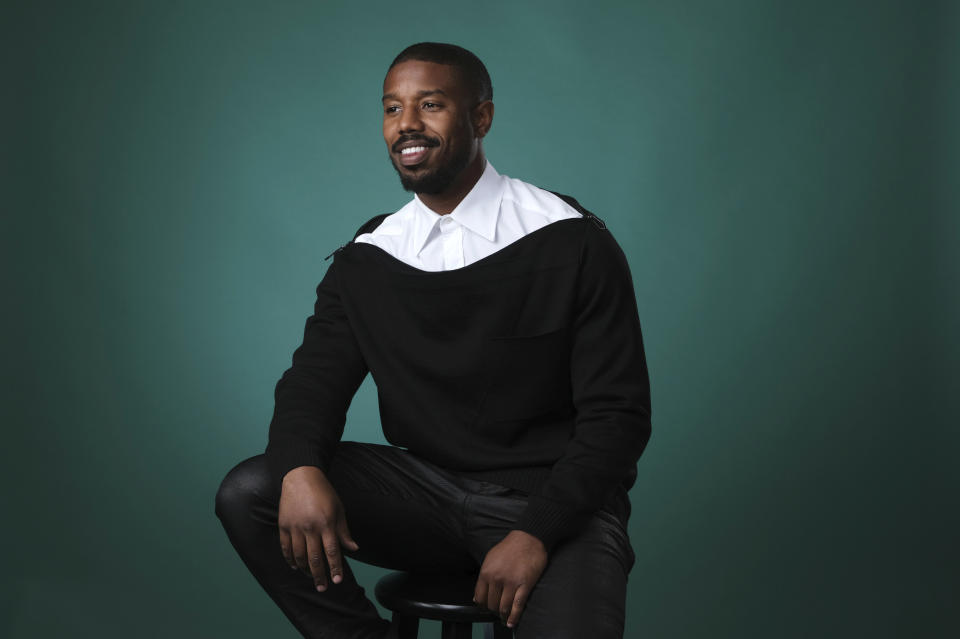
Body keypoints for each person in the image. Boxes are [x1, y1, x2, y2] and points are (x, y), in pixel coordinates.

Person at [215, 42, 652, 639]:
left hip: (553, 504)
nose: (407, 126)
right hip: (424, 496)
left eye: (431, 104)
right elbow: (312, 382)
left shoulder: (571, 241)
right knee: (253, 491)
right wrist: (298, 468)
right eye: (392, 109)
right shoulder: (368, 257)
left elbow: (618, 418)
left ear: (481, 118)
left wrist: (535, 533)